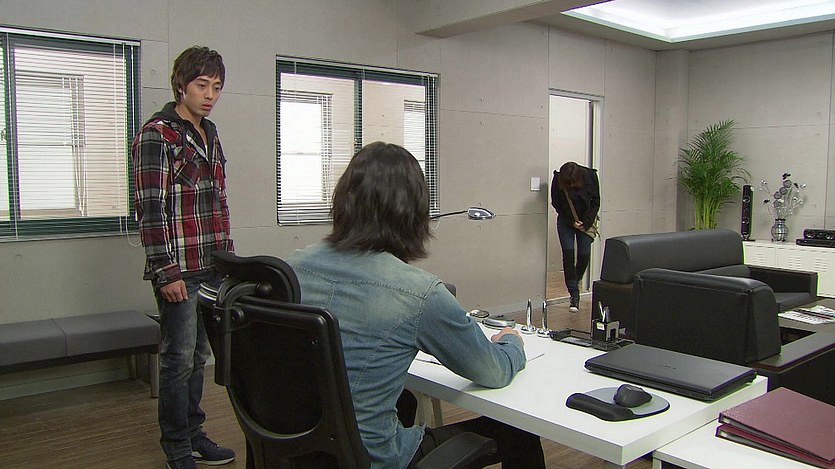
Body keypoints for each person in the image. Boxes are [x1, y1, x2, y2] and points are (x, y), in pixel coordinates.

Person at [287, 141, 545, 469]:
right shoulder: (419, 293)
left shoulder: (294, 267)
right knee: (520, 432)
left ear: (343, 201)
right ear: (413, 214)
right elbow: (492, 371)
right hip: (371, 459)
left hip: (299, 450)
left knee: (405, 401)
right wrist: (511, 342)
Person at [133, 46, 236, 469]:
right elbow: (150, 209)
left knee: (197, 358)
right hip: (179, 270)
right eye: (201, 85)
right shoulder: (157, 134)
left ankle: (195, 434)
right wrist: (165, 270)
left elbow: (218, 203)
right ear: (181, 85)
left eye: (217, 87)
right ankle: (176, 447)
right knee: (177, 361)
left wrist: (229, 263)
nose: (210, 95)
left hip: (212, 268)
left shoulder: (210, 132)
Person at [550, 161, 600, 312]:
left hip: (586, 221)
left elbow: (596, 201)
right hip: (566, 221)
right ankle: (574, 294)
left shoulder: (590, 176)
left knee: (584, 255)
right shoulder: (558, 179)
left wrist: (587, 222)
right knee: (568, 255)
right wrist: (571, 222)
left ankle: (575, 280)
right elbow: (556, 204)